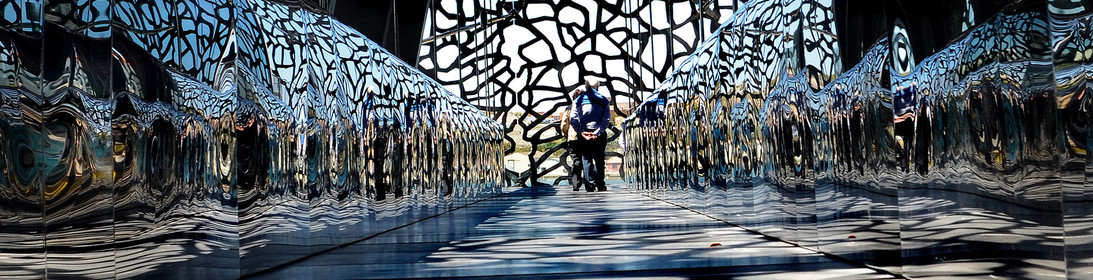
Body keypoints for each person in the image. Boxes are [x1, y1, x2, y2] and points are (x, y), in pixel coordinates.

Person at [568, 76, 611, 192]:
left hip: (583, 133)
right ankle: (600, 184)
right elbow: (606, 119)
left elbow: (573, 119)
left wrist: (582, 132)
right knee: (599, 159)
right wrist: (598, 132)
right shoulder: (604, 100)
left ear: (586, 86)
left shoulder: (578, 101)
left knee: (586, 160)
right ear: (598, 86)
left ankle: (589, 185)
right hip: (599, 134)